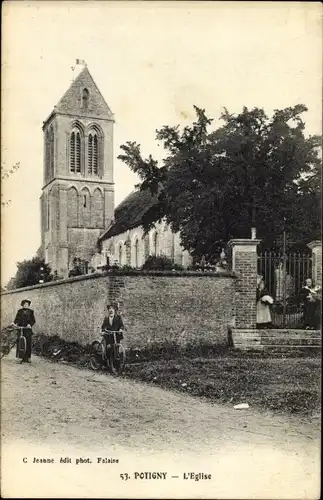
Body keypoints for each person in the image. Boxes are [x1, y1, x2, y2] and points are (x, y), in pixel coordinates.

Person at [13, 299, 36, 363]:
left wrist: (30, 324)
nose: (26, 305)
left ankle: (28, 358)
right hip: (20, 329)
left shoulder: (31, 311)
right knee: (20, 343)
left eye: (27, 304)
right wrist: (14, 323)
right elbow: (16, 319)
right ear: (22, 305)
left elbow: (33, 320)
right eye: (25, 304)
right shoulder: (19, 311)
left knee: (28, 343)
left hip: (28, 329)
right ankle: (19, 358)